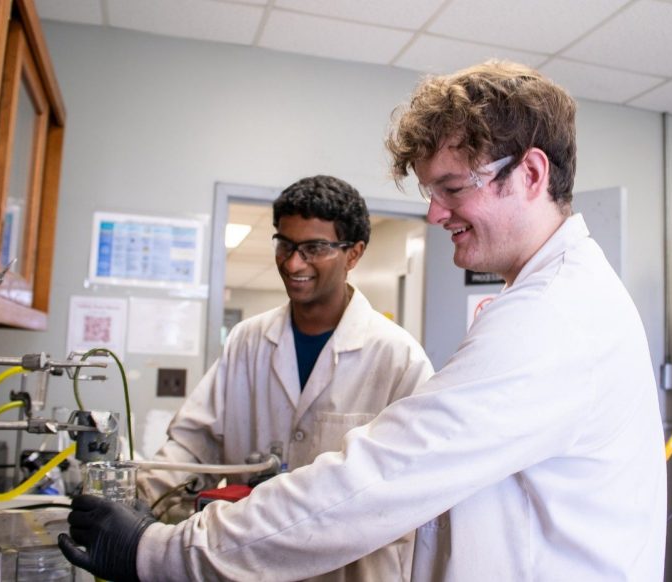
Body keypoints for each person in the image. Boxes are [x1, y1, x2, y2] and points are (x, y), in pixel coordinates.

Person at [59, 61, 667, 582]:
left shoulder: (553, 319)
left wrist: (157, 552)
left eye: (452, 188)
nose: (434, 214)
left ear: (531, 174)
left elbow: (374, 481)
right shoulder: (554, 299)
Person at [62, 175, 434, 581]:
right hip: (246, 567)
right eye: (286, 245)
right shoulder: (248, 340)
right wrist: (138, 503)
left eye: (314, 248)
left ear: (354, 253)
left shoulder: (398, 357)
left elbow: (403, 492)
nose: (294, 263)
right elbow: (194, 443)